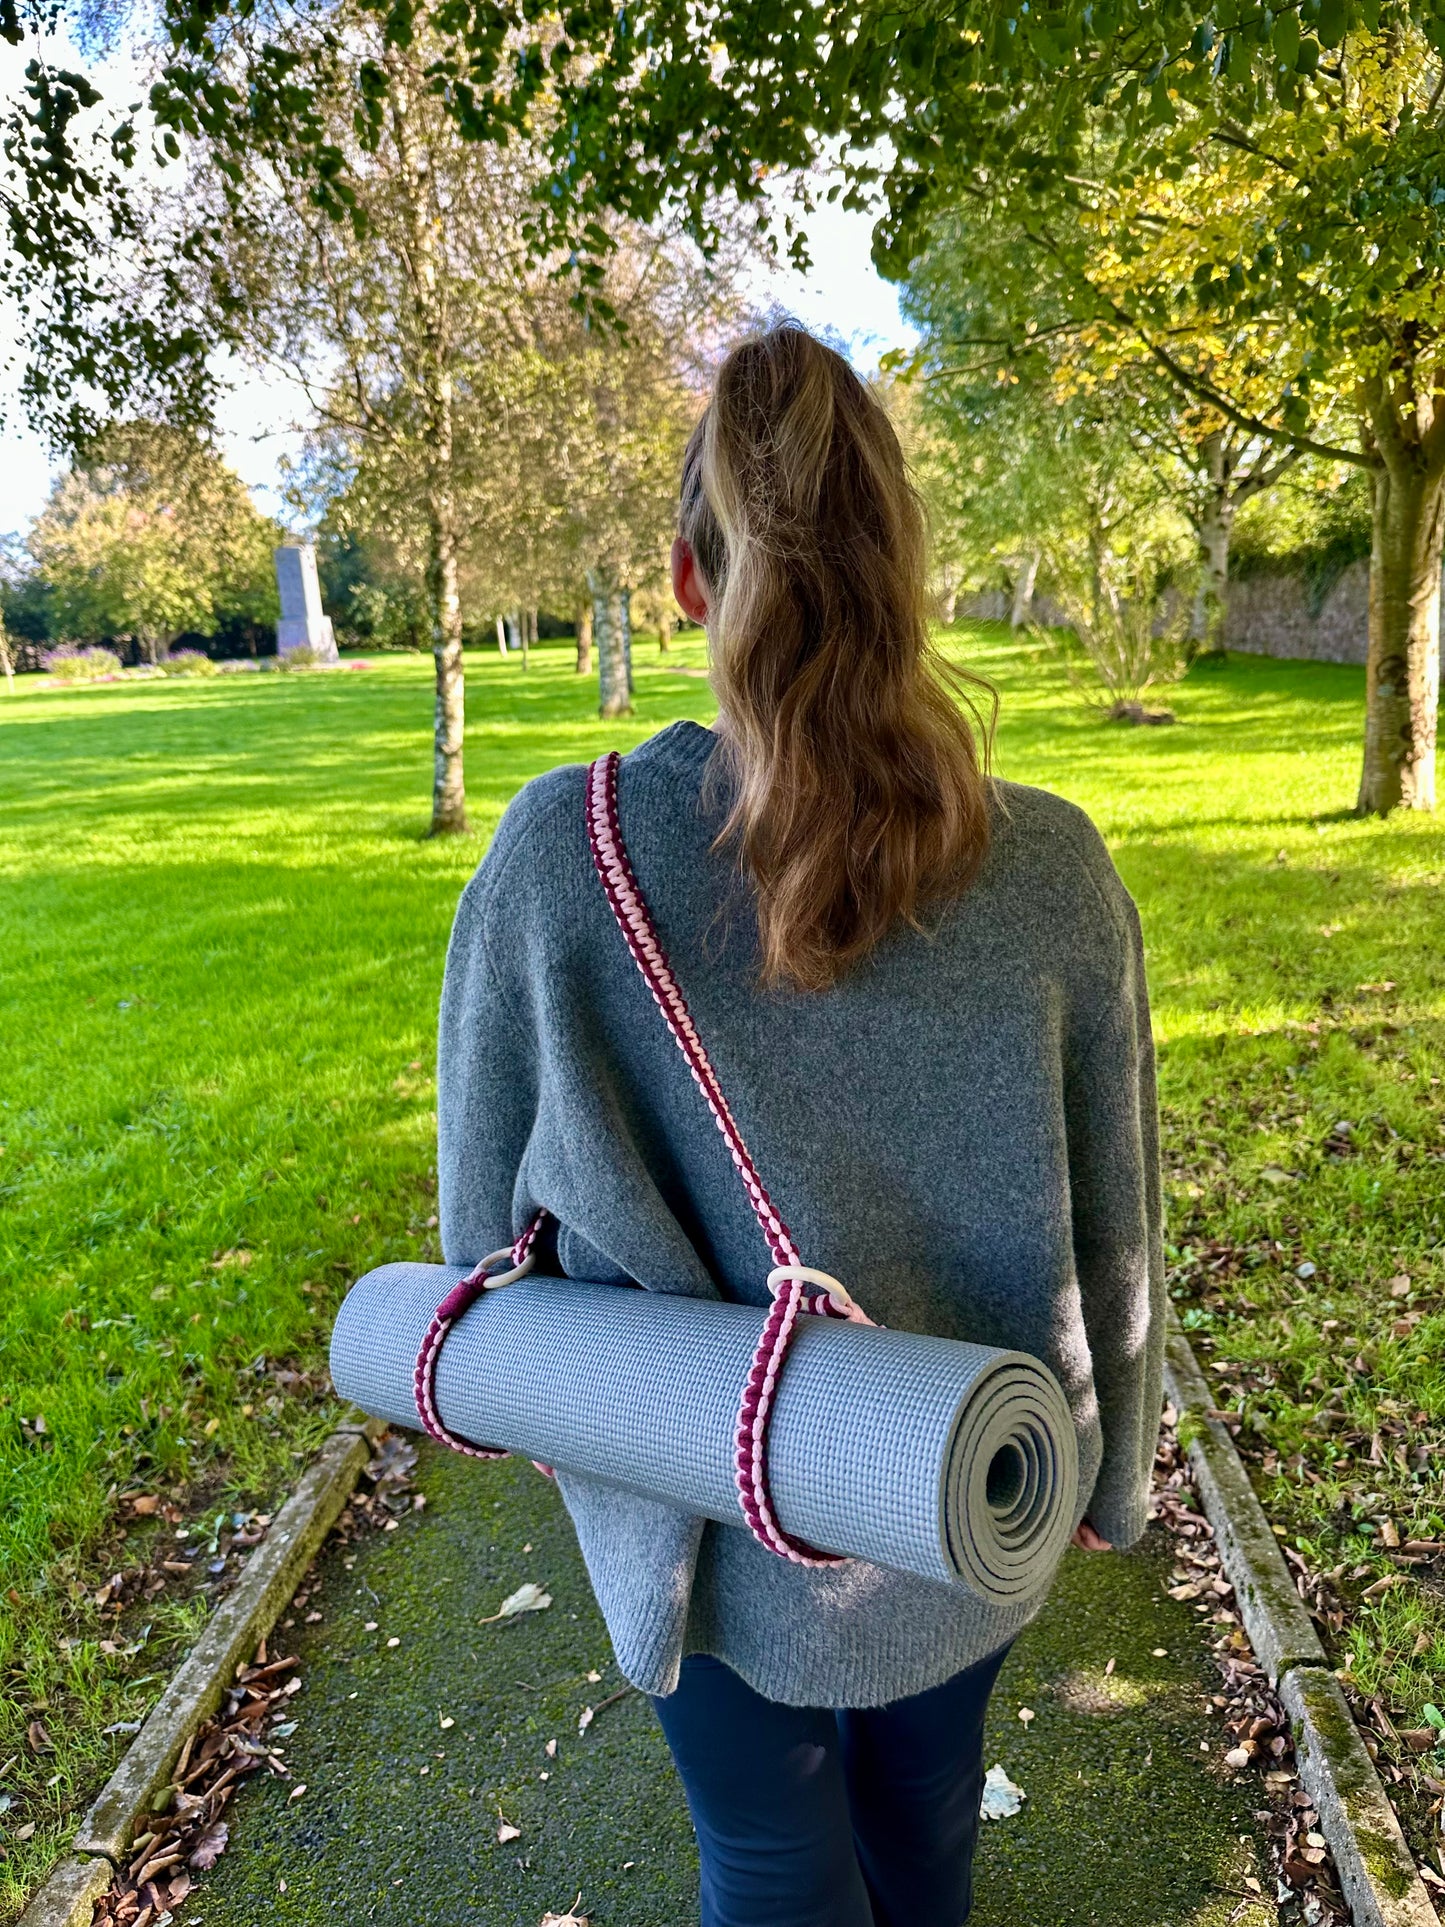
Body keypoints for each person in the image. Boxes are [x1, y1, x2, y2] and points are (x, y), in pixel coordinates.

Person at [438, 322, 1164, 1927]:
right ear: (911, 572)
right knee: (924, 1842)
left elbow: (475, 1235)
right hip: (964, 1496)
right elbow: (1116, 1223)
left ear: (691, 584)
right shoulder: (1050, 873)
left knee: (769, 1863)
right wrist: (1111, 1480)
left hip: (689, 1497)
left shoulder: (565, 856)